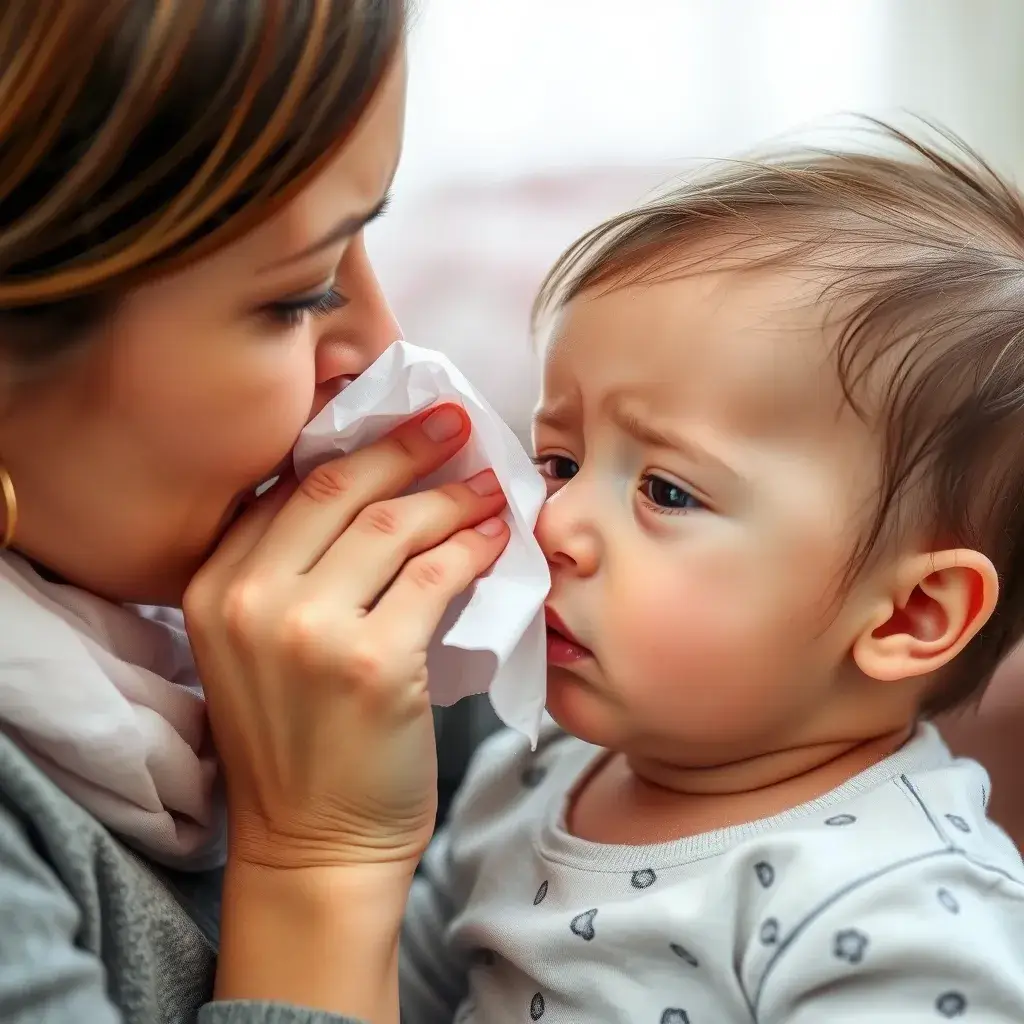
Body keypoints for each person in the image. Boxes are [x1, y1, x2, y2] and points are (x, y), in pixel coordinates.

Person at [398, 126, 1024, 1022]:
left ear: (910, 615)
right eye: (561, 462)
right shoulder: (528, 775)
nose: (557, 522)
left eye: (665, 490)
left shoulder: (897, 917)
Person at [0, 3, 511, 1022]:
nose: (379, 342)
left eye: (365, 244)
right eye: (299, 294)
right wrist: (318, 864)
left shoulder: (254, 629)